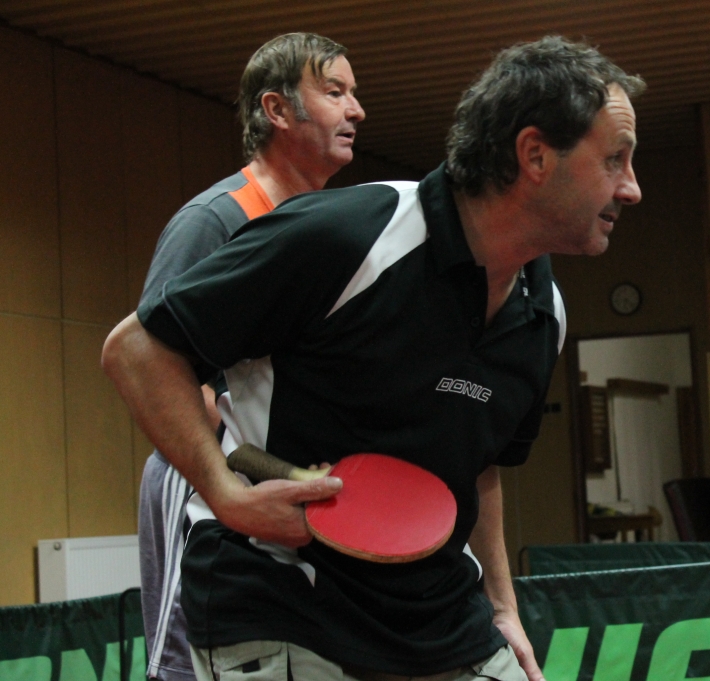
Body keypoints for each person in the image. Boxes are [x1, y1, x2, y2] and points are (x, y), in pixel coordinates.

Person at [104, 35, 642, 681]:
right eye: (614, 159)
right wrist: (224, 493)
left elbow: (479, 468)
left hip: (442, 617)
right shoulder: (351, 235)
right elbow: (137, 349)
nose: (632, 188)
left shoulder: (543, 314)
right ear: (534, 155)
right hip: (284, 601)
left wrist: (502, 605)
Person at [136, 32, 365, 681]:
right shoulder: (216, 220)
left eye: (355, 94)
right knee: (188, 665)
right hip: (201, 479)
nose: (357, 110)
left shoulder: (328, 225)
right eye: (335, 92)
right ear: (277, 108)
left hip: (286, 486)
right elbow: (161, 372)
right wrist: (267, 473)